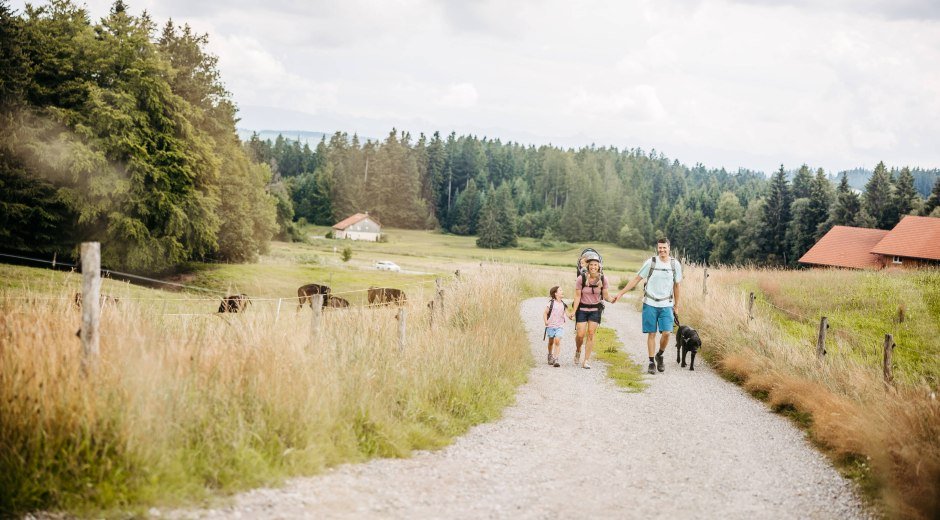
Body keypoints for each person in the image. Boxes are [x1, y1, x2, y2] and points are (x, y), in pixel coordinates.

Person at [611, 238, 682, 375]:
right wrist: (620, 294)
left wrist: (677, 305)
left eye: (664, 248)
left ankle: (659, 355)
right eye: (659, 248)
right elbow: (636, 279)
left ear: (669, 248)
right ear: (657, 248)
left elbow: (677, 286)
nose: (662, 250)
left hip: (667, 304)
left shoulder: (675, 265)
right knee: (651, 333)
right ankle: (651, 362)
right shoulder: (651, 263)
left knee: (667, 333)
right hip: (650, 303)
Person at [568, 252, 611, 369]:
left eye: (595, 265)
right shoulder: (580, 278)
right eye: (591, 265)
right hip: (582, 308)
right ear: (588, 266)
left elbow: (606, 295)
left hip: (595, 310)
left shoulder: (603, 279)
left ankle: (586, 360)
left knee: (591, 334)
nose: (593, 267)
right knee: (580, 335)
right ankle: (578, 350)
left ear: (599, 266)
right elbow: (577, 296)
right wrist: (573, 311)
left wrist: (612, 299)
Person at [543, 286, 567, 368]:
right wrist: (546, 321)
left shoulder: (564, 304)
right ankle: (550, 355)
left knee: (557, 340)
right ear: (555, 293)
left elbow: (568, 314)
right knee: (551, 342)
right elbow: (545, 313)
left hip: (559, 326)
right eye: (560, 290)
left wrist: (573, 315)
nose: (562, 291)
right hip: (550, 326)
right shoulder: (551, 303)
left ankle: (556, 359)